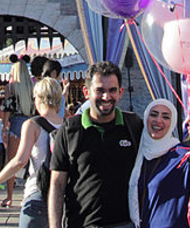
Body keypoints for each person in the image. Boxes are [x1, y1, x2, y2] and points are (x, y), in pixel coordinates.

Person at [48, 61, 143, 228]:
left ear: (120, 92)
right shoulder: (70, 130)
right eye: (100, 90)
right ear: (87, 92)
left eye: (112, 90)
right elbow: (57, 184)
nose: (106, 97)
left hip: (125, 223)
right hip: (82, 224)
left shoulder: (134, 126)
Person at [129, 100, 190, 228]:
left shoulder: (182, 155)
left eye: (165, 117)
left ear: (172, 123)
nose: (158, 120)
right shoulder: (139, 155)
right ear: (146, 118)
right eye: (153, 114)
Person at [0, 77, 62, 228]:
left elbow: (20, 160)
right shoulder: (68, 125)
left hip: (38, 193)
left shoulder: (32, 125)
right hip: (63, 199)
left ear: (38, 99)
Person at [1, 57, 34, 206]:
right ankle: (26, 195)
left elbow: (7, 108)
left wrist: (3, 126)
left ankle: (9, 197)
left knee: (12, 162)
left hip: (15, 124)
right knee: (30, 161)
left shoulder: (10, 87)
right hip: (30, 122)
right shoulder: (32, 86)